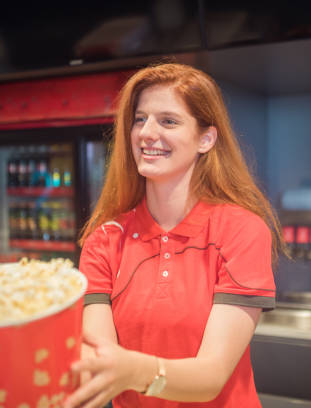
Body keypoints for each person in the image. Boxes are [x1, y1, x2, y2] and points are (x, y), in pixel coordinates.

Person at [64, 62, 286, 408]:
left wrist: (131, 369)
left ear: (206, 138)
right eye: (140, 119)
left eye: (168, 121)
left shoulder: (241, 230)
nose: (146, 133)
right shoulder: (104, 240)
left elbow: (210, 377)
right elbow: (100, 361)